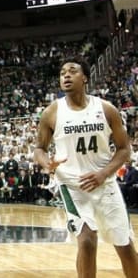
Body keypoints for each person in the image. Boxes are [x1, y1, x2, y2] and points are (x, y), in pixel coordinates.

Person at [34, 58, 138, 278]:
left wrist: (103, 174)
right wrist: (48, 164)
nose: (66, 76)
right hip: (73, 186)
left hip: (105, 183)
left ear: (85, 78)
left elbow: (124, 150)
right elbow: (39, 149)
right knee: (87, 241)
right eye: (62, 73)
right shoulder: (51, 112)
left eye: (72, 71)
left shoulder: (106, 109)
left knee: (125, 246)